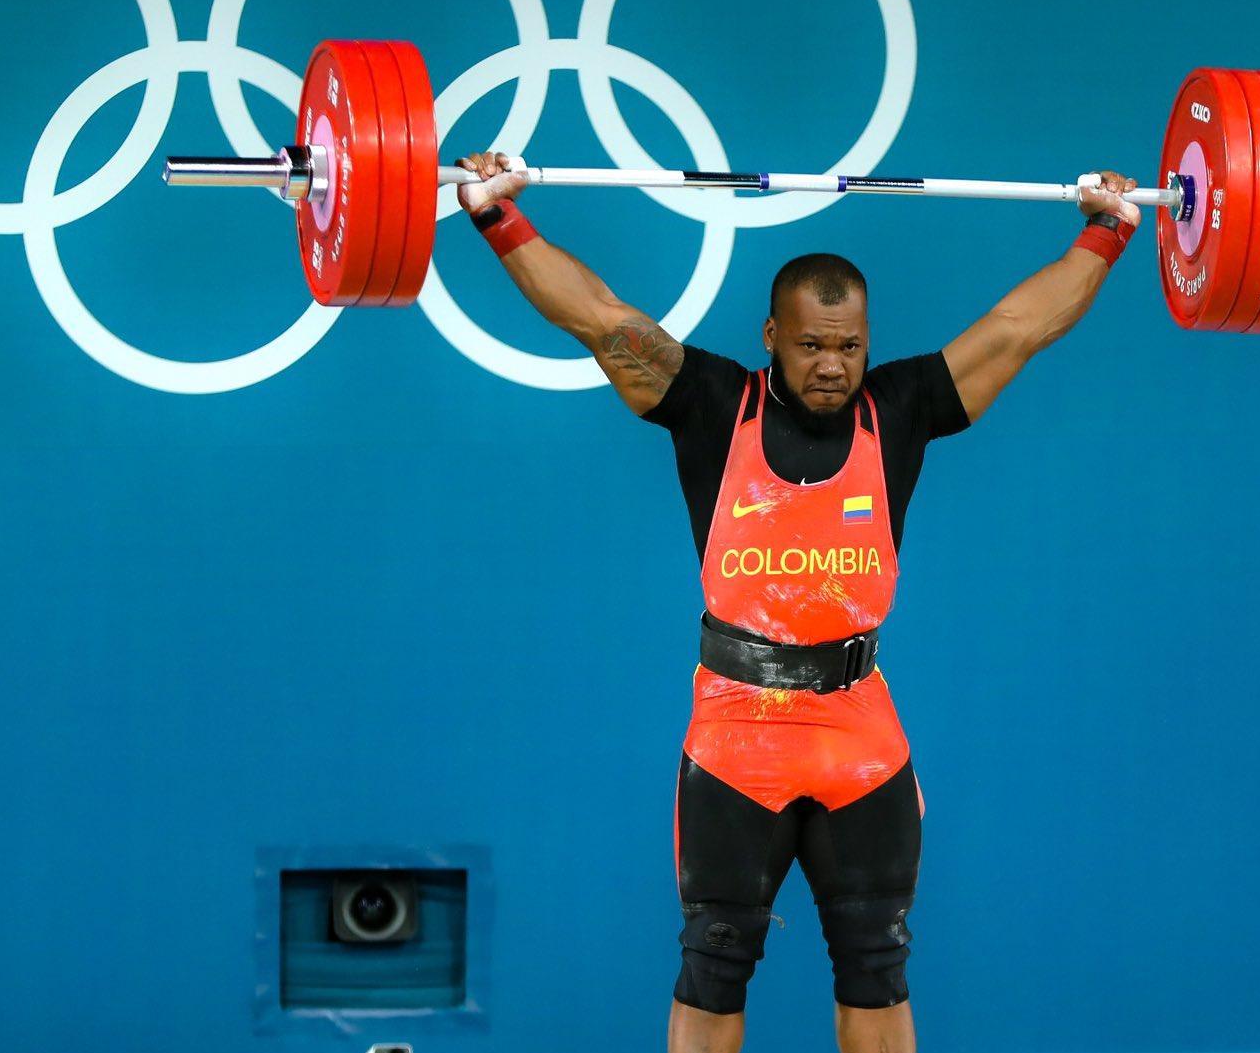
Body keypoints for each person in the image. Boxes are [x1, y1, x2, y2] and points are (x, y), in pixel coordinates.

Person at [455, 151, 1143, 1053]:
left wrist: (1110, 228)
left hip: (860, 728)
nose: (832, 364)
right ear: (772, 335)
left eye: (849, 345)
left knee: (876, 958)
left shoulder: (898, 409)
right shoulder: (709, 402)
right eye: (812, 344)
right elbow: (599, 317)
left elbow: (1017, 327)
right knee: (715, 957)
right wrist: (496, 216)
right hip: (740, 729)